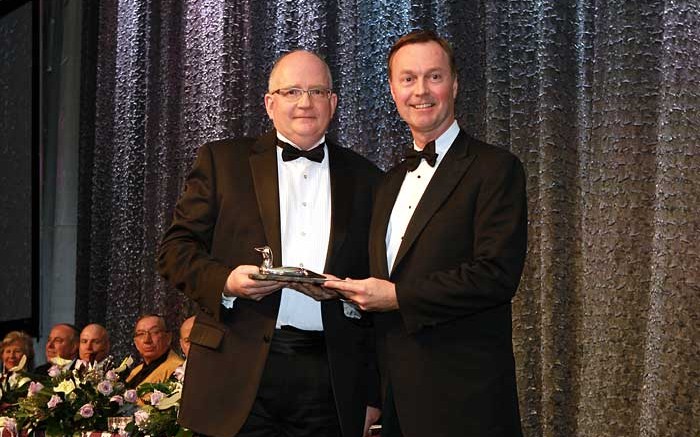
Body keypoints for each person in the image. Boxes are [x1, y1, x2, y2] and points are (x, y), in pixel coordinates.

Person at [158, 50, 381, 437]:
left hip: (331, 377)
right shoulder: (221, 161)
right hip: (234, 369)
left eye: (317, 91)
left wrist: (373, 393)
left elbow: (379, 288)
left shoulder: (368, 178)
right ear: (270, 102)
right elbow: (176, 250)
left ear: (334, 102)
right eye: (292, 91)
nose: (305, 102)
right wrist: (226, 281)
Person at [325, 30, 527, 437]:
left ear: (454, 84)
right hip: (396, 403)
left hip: (467, 401)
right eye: (408, 79)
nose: (421, 91)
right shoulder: (387, 182)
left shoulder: (495, 168)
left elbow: (495, 275)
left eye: (434, 77)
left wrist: (397, 296)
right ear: (392, 89)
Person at [125, 314, 184, 388]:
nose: (147, 340)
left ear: (168, 338)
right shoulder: (135, 371)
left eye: (154, 332)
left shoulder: (178, 371)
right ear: (136, 343)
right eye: (141, 334)